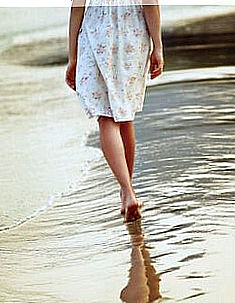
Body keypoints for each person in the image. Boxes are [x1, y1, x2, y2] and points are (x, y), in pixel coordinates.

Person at [65, 0, 164, 223]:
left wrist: (72, 56)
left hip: (96, 31)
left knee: (106, 118)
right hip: (132, 32)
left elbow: (77, 5)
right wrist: (157, 46)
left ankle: (127, 192)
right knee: (125, 115)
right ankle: (127, 191)